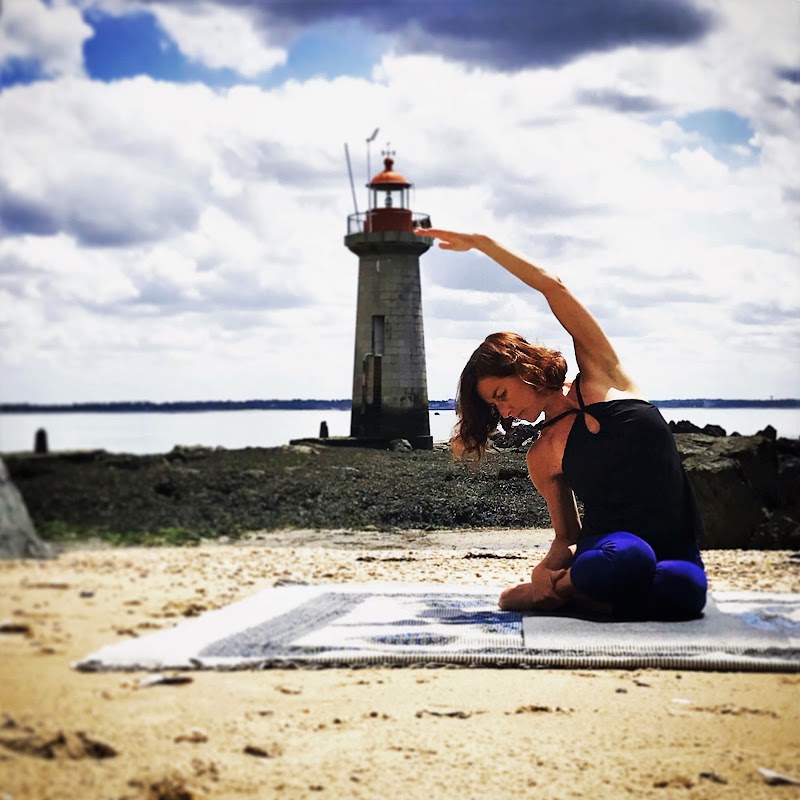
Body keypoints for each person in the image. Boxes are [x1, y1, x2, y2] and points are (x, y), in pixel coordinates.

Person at [414, 228, 707, 621]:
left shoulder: (603, 376)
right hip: (609, 550)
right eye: (495, 409)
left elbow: (553, 287)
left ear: (523, 367)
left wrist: (484, 244)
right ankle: (568, 589)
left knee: (685, 589)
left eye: (501, 395)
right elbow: (568, 537)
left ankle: (560, 597)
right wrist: (547, 567)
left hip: (675, 548)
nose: (505, 413)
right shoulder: (542, 455)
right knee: (628, 556)